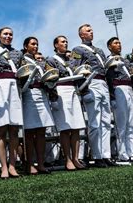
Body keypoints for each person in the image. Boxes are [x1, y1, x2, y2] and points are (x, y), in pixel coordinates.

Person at [71, 24, 113, 167]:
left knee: (106, 122)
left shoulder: (99, 51)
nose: (91, 32)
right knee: (95, 122)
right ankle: (97, 155)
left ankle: (106, 155)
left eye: (92, 30)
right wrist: (84, 90)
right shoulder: (78, 50)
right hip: (91, 83)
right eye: (88, 31)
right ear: (81, 35)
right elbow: (75, 69)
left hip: (103, 83)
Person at [0, 27, 23, 178]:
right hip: (0, 88)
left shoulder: (18, 53)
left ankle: (12, 166)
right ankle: (3, 167)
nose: (8, 36)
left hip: (14, 88)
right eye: (5, 34)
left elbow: (21, 72)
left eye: (10, 34)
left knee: (14, 129)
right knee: (1, 130)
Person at [46, 36, 86, 170]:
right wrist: (54, 97)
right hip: (61, 91)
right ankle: (67, 159)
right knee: (65, 128)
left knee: (76, 127)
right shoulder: (51, 60)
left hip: (73, 91)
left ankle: (75, 158)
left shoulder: (72, 60)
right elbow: (50, 80)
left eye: (66, 41)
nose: (65, 43)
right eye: (62, 42)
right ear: (56, 45)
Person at [20, 36, 55, 174]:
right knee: (29, 133)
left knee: (41, 132)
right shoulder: (21, 60)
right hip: (29, 94)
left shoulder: (41, 62)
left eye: (37, 44)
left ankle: (41, 164)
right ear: (25, 46)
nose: (35, 46)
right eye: (33, 44)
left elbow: (50, 74)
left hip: (42, 94)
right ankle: (29, 164)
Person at [105, 37, 133, 162]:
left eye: (119, 43)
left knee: (131, 123)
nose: (119, 45)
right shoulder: (109, 60)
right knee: (121, 123)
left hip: (129, 88)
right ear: (109, 47)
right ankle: (122, 153)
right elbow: (109, 78)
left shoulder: (125, 60)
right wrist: (112, 95)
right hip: (118, 88)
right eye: (115, 43)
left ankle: (132, 152)